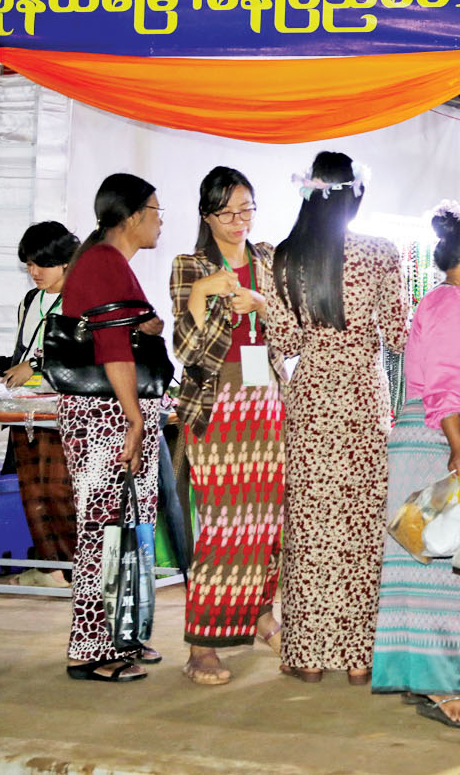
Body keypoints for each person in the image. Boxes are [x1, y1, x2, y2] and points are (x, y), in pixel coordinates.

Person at [262, 152, 409, 684]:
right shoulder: (380, 252)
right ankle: (358, 658)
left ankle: (306, 655)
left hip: (311, 399)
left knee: (308, 524)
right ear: (355, 194)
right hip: (362, 397)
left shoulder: (284, 257)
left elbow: (283, 340)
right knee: (361, 525)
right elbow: (399, 335)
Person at [374, 209, 460, 729]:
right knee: (449, 566)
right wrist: (458, 449)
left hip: (431, 436)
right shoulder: (451, 302)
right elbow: (445, 382)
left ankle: (423, 674)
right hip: (440, 441)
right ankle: (443, 684)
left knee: (427, 562)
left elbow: (449, 373)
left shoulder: (448, 301)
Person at [169, 167, 286, 686]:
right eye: (226, 212)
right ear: (207, 215)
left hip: (268, 401)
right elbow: (188, 353)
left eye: (246, 209)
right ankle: (203, 643)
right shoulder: (189, 266)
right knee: (222, 525)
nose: (239, 221)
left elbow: (294, 329)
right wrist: (202, 295)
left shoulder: (270, 260)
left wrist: (262, 304)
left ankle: (261, 615)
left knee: (268, 522)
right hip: (216, 404)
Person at [58, 175, 166, 682]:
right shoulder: (103, 261)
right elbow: (113, 348)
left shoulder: (108, 261)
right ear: (133, 215)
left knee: (126, 529)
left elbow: (125, 331)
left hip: (111, 412)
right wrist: (134, 419)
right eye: (156, 211)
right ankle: (90, 650)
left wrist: (149, 326)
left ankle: (122, 634)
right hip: (107, 416)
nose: (160, 221)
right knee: (103, 532)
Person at [0, 222, 81, 588]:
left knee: (62, 493)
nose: (34, 271)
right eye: (30, 264)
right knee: (33, 492)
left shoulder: (82, 301)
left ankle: (76, 568)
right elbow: (23, 351)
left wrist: (32, 367)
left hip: (65, 414)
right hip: (26, 412)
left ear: (65, 261)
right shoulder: (31, 301)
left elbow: (79, 358)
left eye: (42, 264)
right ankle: (51, 569)